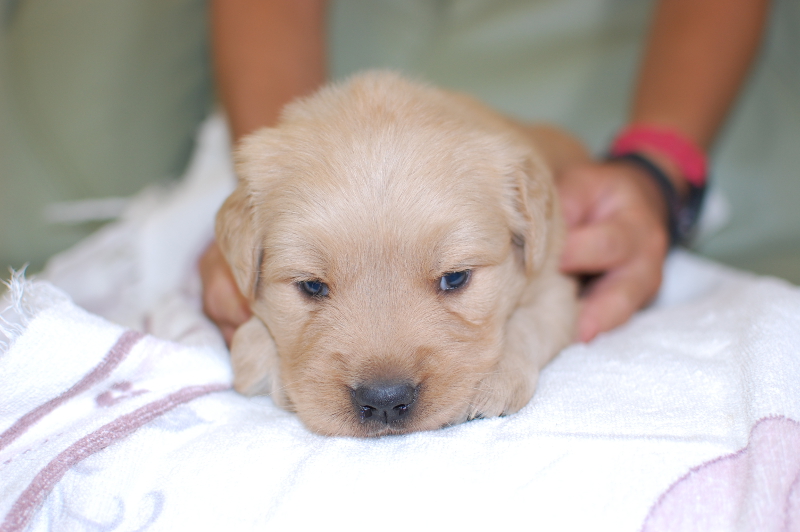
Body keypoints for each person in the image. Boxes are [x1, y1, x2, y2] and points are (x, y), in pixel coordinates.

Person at [200, 0, 772, 345]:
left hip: (616, 131)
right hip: (334, 99)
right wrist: (283, 182)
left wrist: (656, 163)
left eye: (453, 280)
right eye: (313, 287)